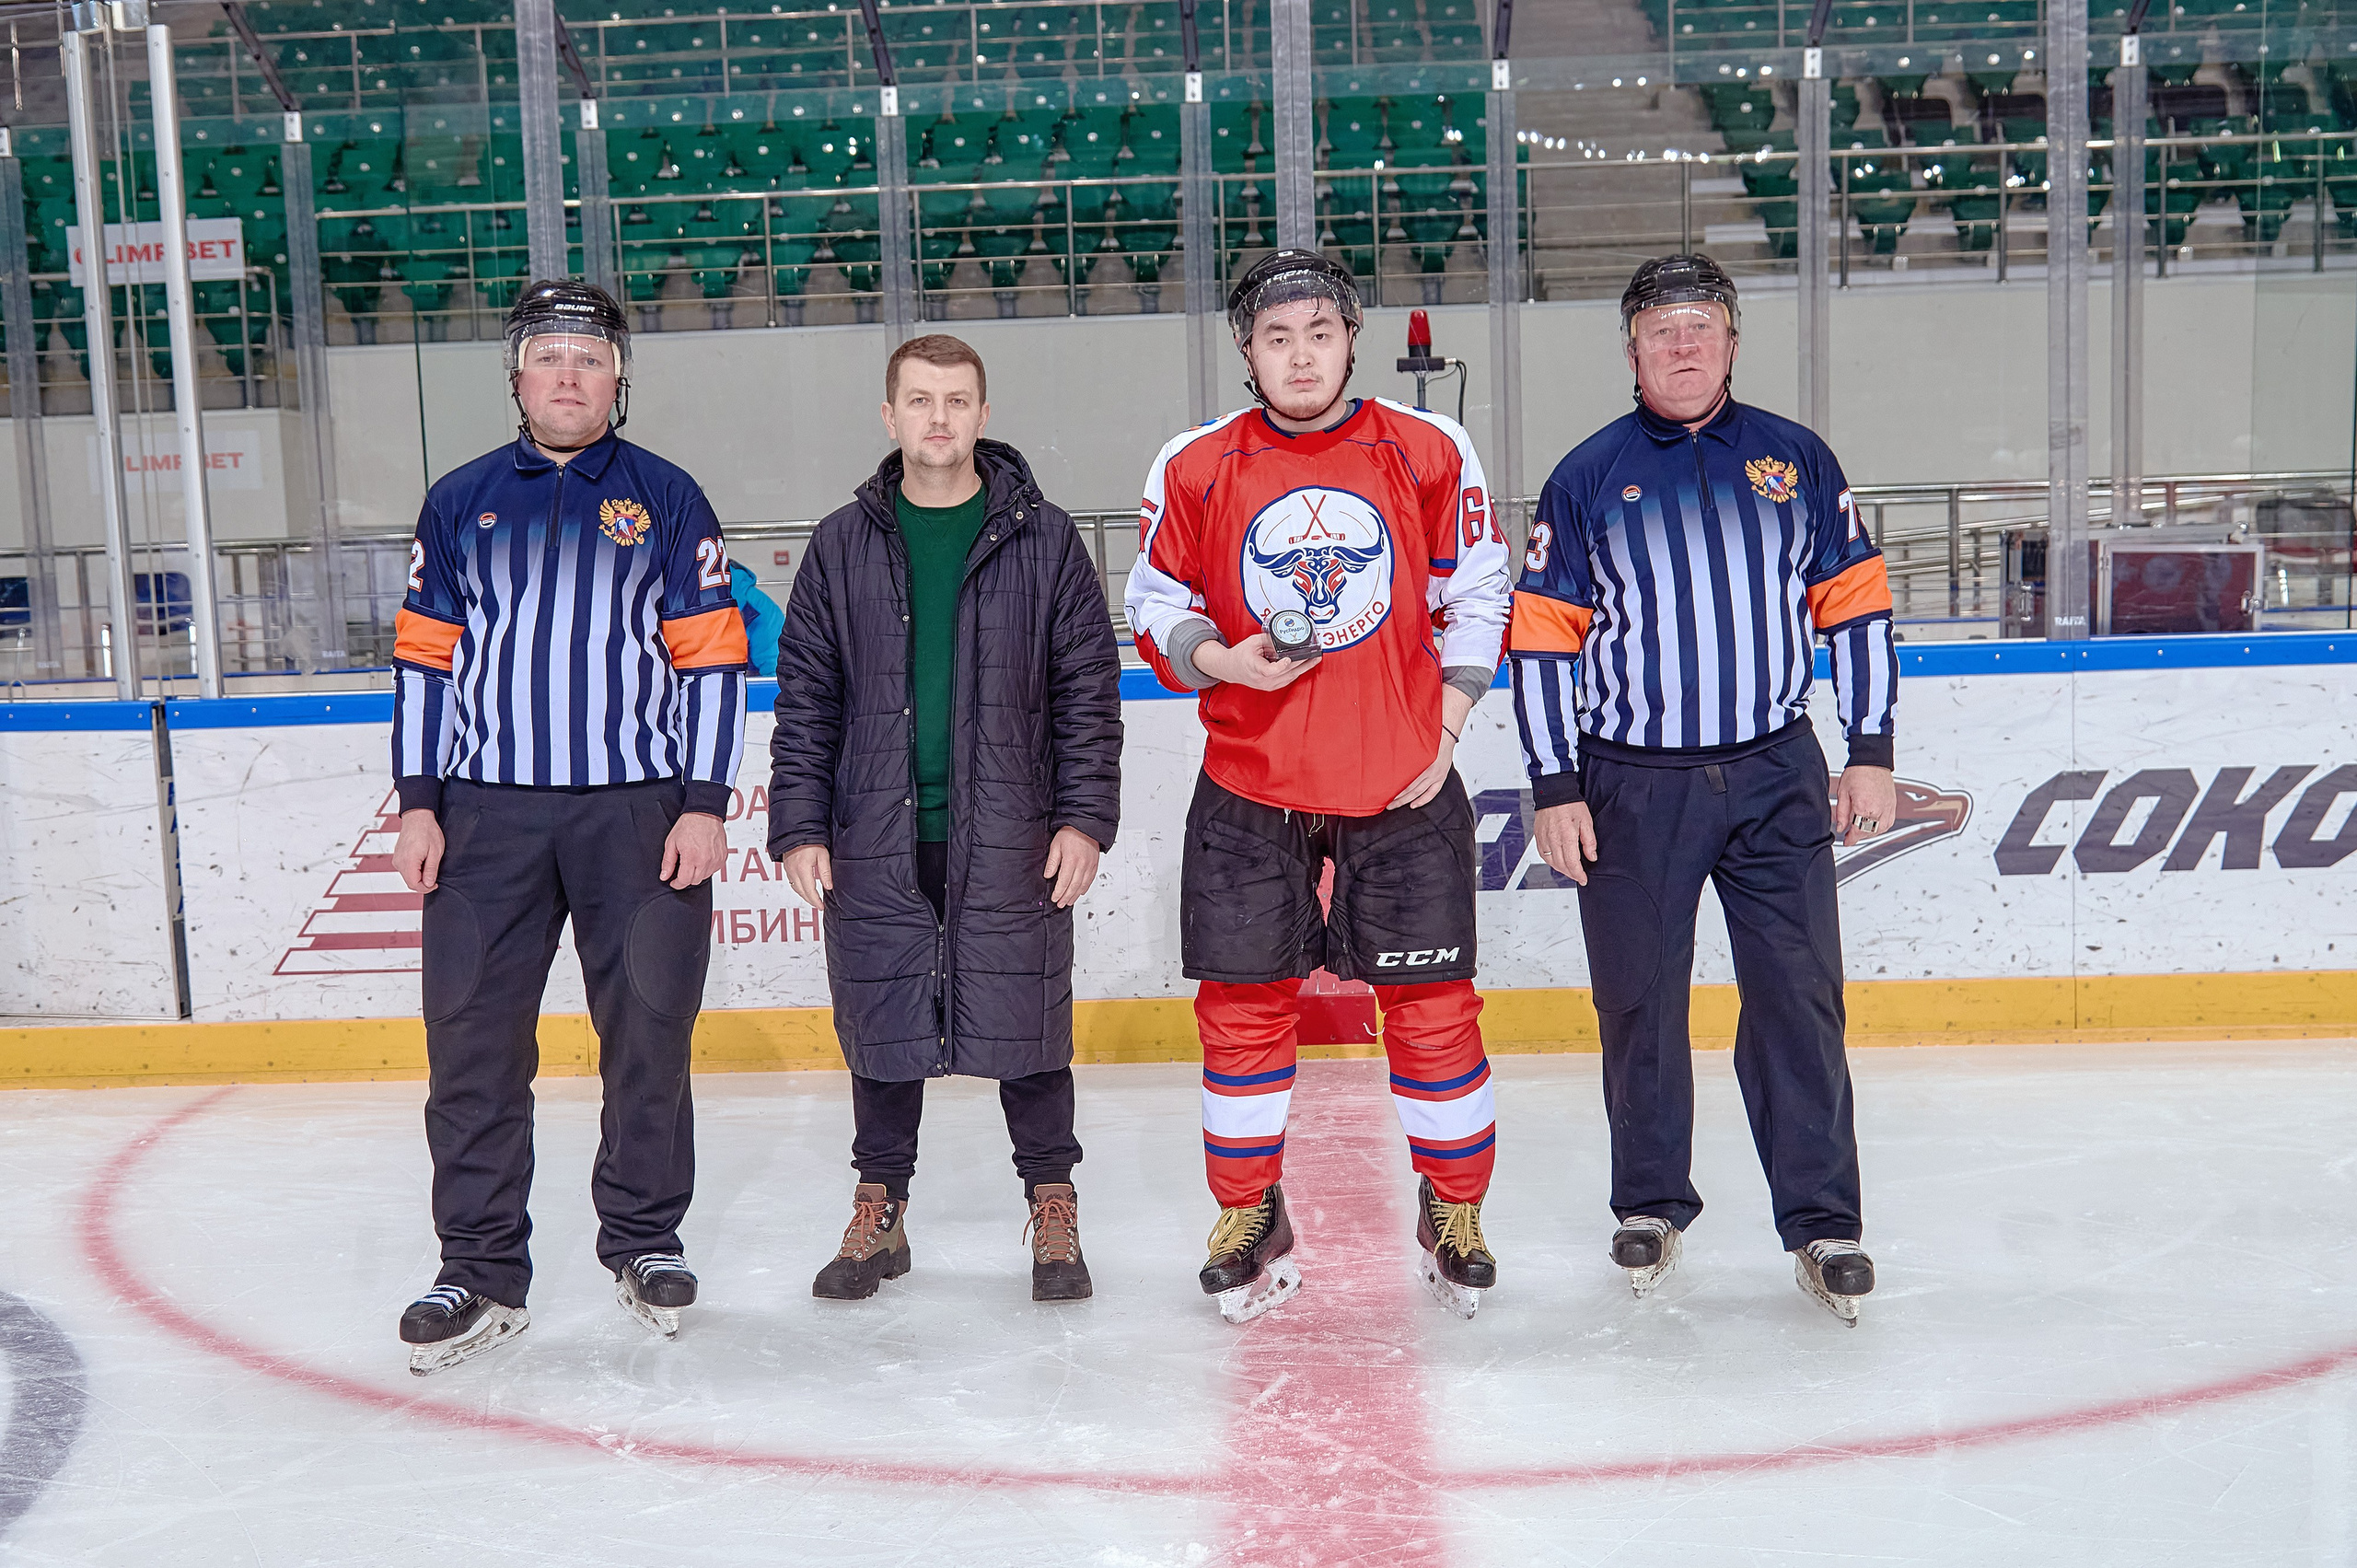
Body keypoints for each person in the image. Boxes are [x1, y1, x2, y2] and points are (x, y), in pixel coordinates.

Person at [1506, 253, 1898, 1324]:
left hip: (1777, 770)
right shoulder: (1587, 477)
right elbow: (1542, 648)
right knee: (1638, 1001)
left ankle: (1823, 1219)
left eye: (1701, 326)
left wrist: (1868, 745)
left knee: (1799, 993)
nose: (1682, 345)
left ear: (1730, 341)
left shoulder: (1796, 461)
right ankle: (1649, 1203)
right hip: (1632, 782)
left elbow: (1855, 607)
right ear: (1630, 349)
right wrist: (1553, 781)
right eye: (1661, 328)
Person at [1123, 250, 1512, 1324]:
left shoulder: (1429, 446)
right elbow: (1153, 598)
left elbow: (1479, 587)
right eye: (1276, 337)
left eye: (1319, 334)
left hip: (1399, 780)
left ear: (1350, 339)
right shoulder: (1196, 463)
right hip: (1251, 784)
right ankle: (1250, 1208)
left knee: (1432, 1010)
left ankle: (1454, 1203)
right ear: (1247, 351)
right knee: (1243, 1013)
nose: (1300, 356)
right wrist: (1217, 660)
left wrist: (1446, 719)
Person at [388, 279, 749, 1373]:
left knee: (648, 1032)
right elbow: (423, 663)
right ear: (517, 377)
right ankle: (480, 1267)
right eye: (548, 357)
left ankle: (644, 1239)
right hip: (484, 816)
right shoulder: (458, 502)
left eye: (588, 359)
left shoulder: (668, 497)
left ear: (617, 378)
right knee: (471, 1042)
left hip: (636, 813)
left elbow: (716, 661)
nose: (568, 376)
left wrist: (701, 801)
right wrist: (417, 801)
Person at [768, 333, 1122, 1305]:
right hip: (874, 828)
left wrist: (1083, 817)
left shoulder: (1042, 538)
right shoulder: (842, 543)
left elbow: (1087, 692)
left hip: (1011, 828)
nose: (937, 417)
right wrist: (800, 823)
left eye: (956, 400)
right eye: (919, 400)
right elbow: (807, 697)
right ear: (889, 417)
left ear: (983, 414)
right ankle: (879, 1206)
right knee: (882, 1021)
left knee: (1029, 1021)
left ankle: (1052, 1203)